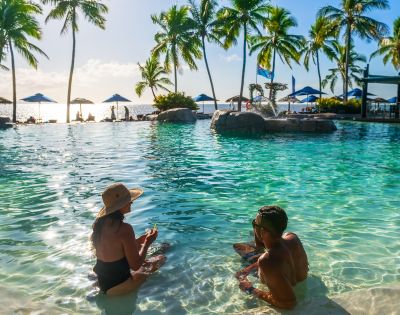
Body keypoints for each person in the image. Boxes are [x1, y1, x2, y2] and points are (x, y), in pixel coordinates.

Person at [91, 183, 163, 296]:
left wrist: (140, 240)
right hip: (119, 286)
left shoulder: (100, 225)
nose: (131, 202)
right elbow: (135, 265)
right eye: (128, 200)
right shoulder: (124, 228)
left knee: (147, 262)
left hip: (103, 283)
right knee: (159, 259)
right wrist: (148, 243)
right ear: (120, 205)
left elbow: (116, 250)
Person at [236, 206, 308, 310]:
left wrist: (250, 289)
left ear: (262, 231)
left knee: (237, 247)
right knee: (246, 250)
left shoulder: (266, 261)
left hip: (287, 295)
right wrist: (249, 268)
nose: (253, 226)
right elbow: (275, 259)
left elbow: (288, 303)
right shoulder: (292, 237)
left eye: (254, 224)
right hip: (301, 286)